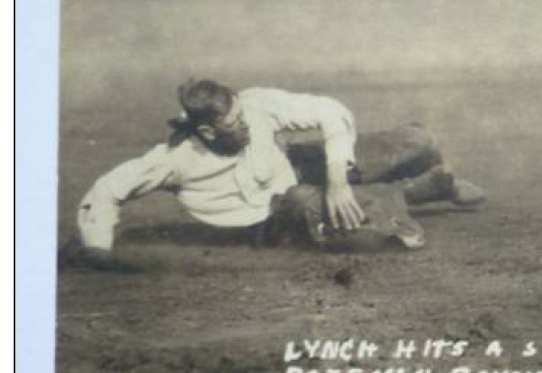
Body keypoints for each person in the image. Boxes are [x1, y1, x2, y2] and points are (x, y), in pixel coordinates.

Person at [66, 79, 484, 268]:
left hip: (298, 170)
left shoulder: (254, 105)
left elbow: (329, 111)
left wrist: (338, 180)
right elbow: (105, 190)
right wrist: (98, 250)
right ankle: (421, 190)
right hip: (272, 218)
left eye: (241, 113)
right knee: (368, 228)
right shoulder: (174, 159)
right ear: (209, 130)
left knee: (416, 141)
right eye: (234, 123)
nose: (244, 124)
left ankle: (411, 183)